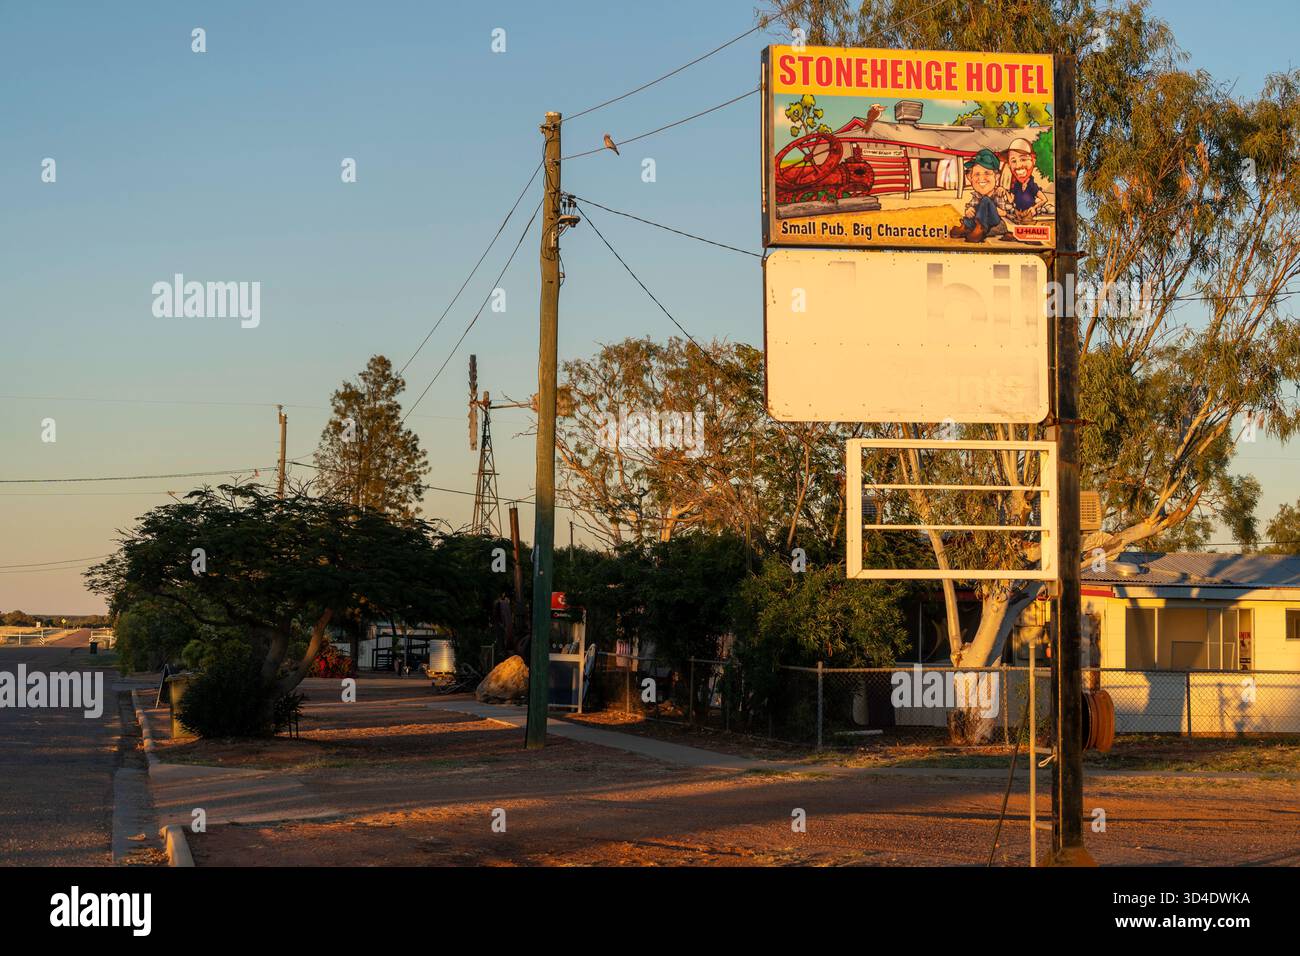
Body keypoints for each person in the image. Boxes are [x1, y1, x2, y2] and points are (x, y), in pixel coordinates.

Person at [949, 148, 1015, 243]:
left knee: (986, 200)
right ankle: (966, 226)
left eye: (987, 173)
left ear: (996, 176)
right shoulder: (976, 195)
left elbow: (1004, 212)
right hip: (978, 220)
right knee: (978, 206)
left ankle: (980, 228)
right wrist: (969, 211)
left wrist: (993, 209)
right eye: (976, 174)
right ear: (971, 178)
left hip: (994, 221)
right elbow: (972, 206)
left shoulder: (999, 193)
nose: (981, 178)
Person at [1005, 137, 1052, 222]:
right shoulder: (1016, 185)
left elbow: (1044, 199)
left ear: (1033, 161)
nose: (1018, 165)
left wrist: (1034, 207)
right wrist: (1004, 191)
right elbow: (1011, 200)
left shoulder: (1032, 185)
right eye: (1013, 161)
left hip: (1028, 213)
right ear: (1009, 165)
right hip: (1017, 213)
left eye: (1023, 159)